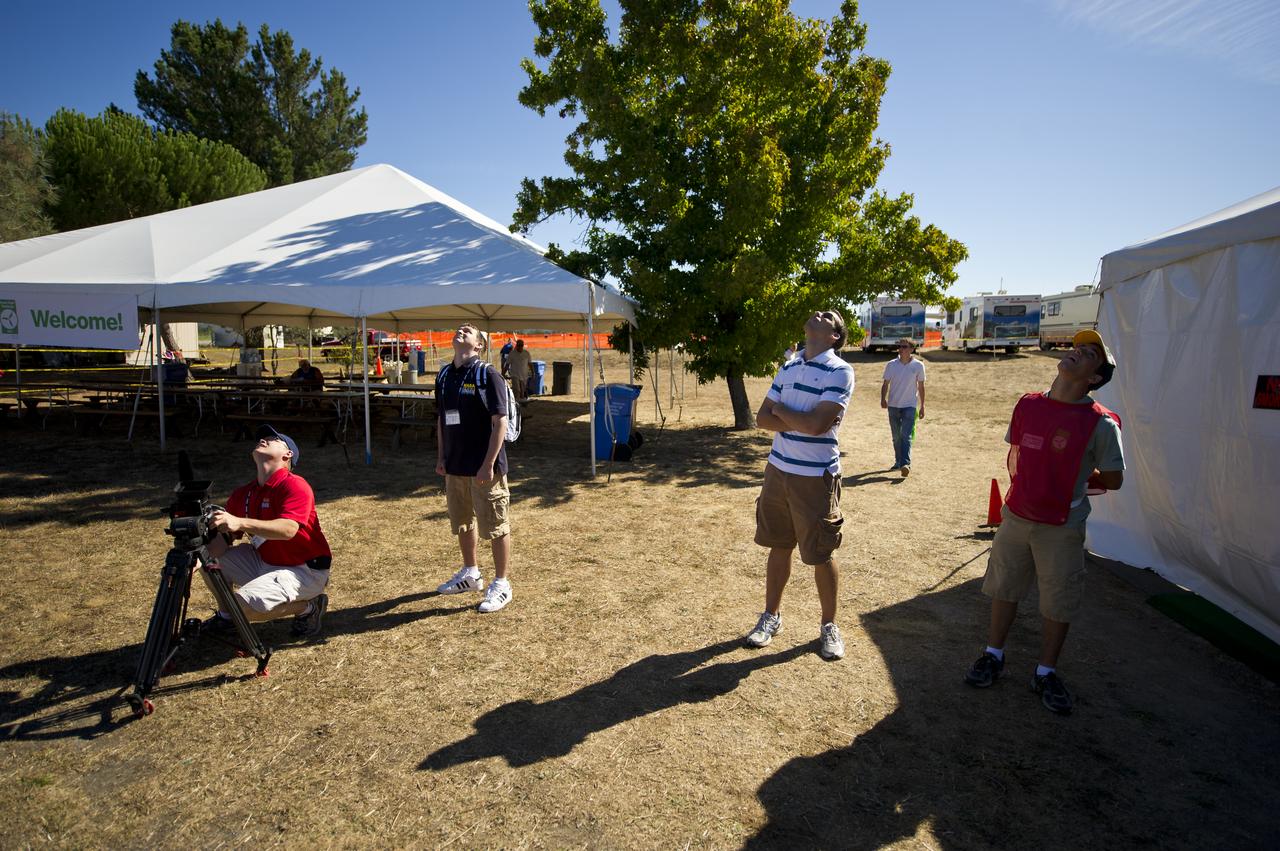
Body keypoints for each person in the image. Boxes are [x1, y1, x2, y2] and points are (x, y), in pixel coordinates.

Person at [963, 329, 1125, 715]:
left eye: (1088, 355)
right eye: (1077, 348)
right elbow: (1017, 453)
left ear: (1094, 378)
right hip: (1016, 516)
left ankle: (1045, 671)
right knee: (1004, 586)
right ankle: (993, 654)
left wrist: (1076, 482)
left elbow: (1115, 478)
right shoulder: (1028, 405)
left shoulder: (1101, 424)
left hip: (1062, 525)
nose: (1075, 353)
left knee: (1058, 599)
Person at [747, 310, 856, 660]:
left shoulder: (840, 371)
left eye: (828, 316)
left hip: (815, 477)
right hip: (777, 470)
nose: (818, 313)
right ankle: (771, 617)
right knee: (778, 545)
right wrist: (790, 417)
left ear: (834, 336)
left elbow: (816, 426)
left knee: (821, 554)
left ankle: (829, 626)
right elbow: (761, 418)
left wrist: (782, 412)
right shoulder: (790, 366)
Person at [202, 424, 332, 637]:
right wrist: (200, 549)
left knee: (240, 607)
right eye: (263, 438)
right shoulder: (243, 493)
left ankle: (308, 607)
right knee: (210, 562)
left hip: (304, 570)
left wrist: (240, 522)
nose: (264, 440)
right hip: (265, 563)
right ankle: (227, 617)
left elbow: (288, 529)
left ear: (287, 454)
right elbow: (221, 545)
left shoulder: (295, 485)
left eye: (273, 439)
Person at [433, 324, 515, 613]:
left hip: (485, 468)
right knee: (463, 521)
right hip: (455, 465)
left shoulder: (487, 374)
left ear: (479, 346)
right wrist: (442, 457)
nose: (462, 330)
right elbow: (442, 419)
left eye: (469, 331)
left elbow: (500, 422)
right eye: (459, 328)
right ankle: (471, 573)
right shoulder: (444, 375)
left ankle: (502, 584)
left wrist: (488, 464)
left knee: (495, 524)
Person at [880, 338, 926, 477]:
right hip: (893, 405)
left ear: (911, 349)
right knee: (896, 437)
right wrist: (883, 399)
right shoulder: (891, 364)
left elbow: (921, 387)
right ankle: (898, 461)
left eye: (904, 347)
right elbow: (885, 383)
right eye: (899, 346)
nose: (901, 349)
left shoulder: (918, 366)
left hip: (910, 406)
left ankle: (905, 464)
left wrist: (922, 406)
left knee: (905, 436)